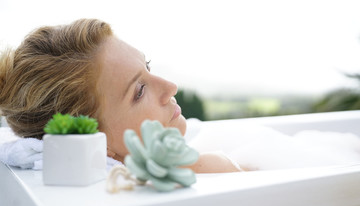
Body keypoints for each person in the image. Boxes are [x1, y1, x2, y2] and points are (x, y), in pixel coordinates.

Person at [0, 19, 241, 173]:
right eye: (139, 91)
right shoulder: (202, 170)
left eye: (148, 67)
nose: (171, 87)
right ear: (96, 143)